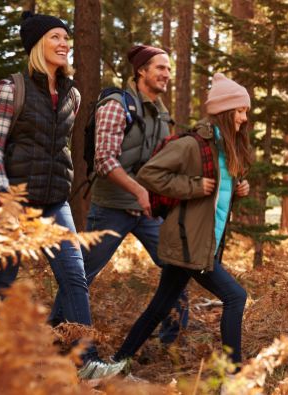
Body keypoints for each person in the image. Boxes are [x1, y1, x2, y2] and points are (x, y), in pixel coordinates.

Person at [0, 11, 125, 379]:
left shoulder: (73, 95)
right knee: (0, 285)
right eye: (55, 37)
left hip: (54, 203)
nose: (65, 44)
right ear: (37, 44)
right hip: (11, 202)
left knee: (74, 276)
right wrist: (5, 196)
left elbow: (59, 148)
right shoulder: (9, 89)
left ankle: (86, 361)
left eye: (67, 38)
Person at [49, 44, 188, 344]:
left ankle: (174, 343)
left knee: (177, 265)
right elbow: (104, 160)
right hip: (112, 206)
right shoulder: (116, 105)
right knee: (82, 275)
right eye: (160, 68)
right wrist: (139, 190)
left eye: (168, 68)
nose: (166, 74)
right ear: (141, 71)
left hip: (149, 211)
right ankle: (56, 333)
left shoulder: (162, 115)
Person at [113, 73, 251, 366]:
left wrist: (238, 192)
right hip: (189, 242)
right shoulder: (192, 144)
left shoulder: (225, 148)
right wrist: (192, 186)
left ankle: (116, 362)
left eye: (245, 111)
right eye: (240, 110)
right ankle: (234, 376)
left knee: (160, 307)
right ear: (225, 112)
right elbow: (149, 174)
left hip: (201, 241)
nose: (244, 118)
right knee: (235, 297)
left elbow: (217, 197)